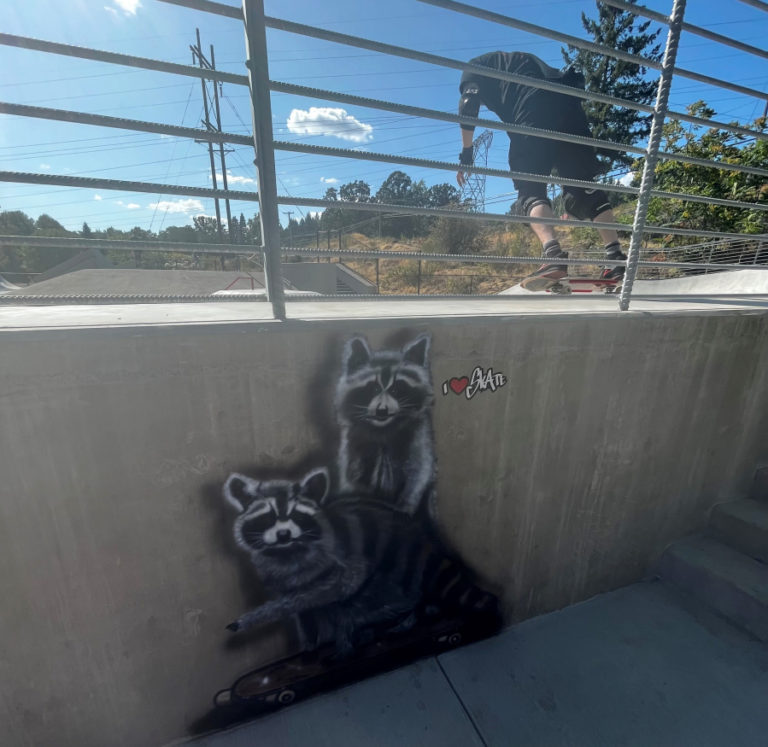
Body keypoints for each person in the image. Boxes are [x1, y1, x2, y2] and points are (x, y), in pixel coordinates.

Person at [456, 51, 627, 287]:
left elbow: (469, 103)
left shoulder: (473, 66)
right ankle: (615, 259)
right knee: (582, 190)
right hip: (569, 104)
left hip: (531, 109)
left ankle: (553, 256)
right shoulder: (519, 60)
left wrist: (466, 153)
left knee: (530, 192)